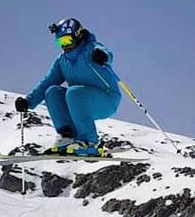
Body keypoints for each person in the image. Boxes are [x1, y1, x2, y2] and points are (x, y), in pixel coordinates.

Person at [15, 18, 121, 156]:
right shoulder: (62, 61)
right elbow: (47, 82)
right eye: (60, 42)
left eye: (67, 41)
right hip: (79, 101)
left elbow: (107, 54)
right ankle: (67, 137)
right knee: (52, 92)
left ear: (77, 35)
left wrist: (102, 56)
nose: (64, 45)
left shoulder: (90, 49)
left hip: (106, 99)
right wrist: (28, 101)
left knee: (74, 92)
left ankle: (90, 143)